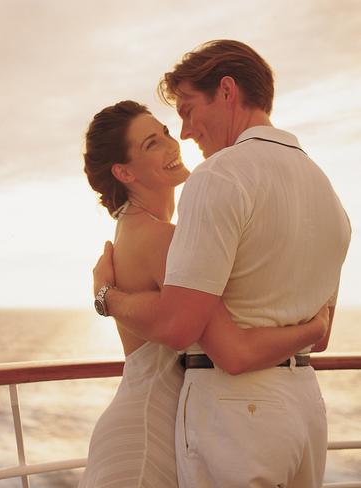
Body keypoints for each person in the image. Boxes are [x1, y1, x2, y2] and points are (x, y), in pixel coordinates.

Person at [92, 41, 351, 488]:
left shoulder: (219, 177)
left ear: (227, 92)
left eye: (189, 112)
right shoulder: (326, 190)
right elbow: (321, 329)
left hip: (238, 417)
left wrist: (108, 297)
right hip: (305, 409)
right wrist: (310, 332)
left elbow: (187, 331)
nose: (186, 133)